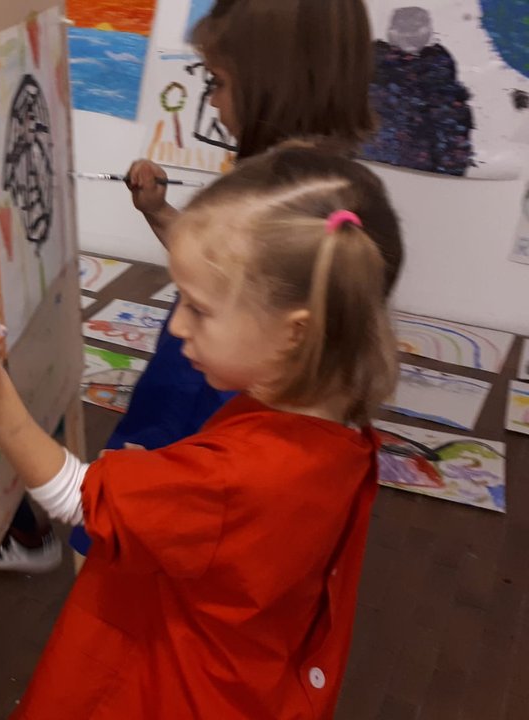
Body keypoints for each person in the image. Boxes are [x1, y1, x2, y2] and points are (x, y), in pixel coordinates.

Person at [0, 144, 404, 717]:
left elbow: (80, 498)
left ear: (294, 334)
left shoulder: (242, 476)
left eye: (198, 309)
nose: (176, 326)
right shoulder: (334, 427)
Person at [66, 0, 382, 557]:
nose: (211, 100)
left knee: (145, 530)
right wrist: (159, 213)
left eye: (218, 82)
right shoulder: (288, 178)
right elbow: (223, 275)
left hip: (210, 411)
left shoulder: (303, 206)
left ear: (273, 83)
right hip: (193, 391)